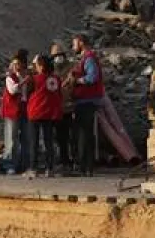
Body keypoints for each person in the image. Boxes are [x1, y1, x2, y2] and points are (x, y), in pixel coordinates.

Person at [69, 35, 104, 176]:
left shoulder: (89, 58)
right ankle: (85, 166)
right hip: (83, 101)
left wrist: (77, 81)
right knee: (83, 134)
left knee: (84, 134)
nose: (73, 47)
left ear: (81, 43)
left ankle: (85, 166)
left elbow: (92, 77)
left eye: (74, 44)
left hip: (87, 101)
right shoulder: (85, 58)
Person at [26, 53, 63, 176]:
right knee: (49, 141)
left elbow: (28, 93)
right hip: (50, 113)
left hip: (35, 112)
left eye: (36, 65)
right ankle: (50, 168)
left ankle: (33, 168)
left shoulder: (35, 79)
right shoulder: (56, 79)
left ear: (41, 66)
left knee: (34, 141)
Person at [0, 49, 30, 175]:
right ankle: (9, 165)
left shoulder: (28, 77)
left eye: (18, 63)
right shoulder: (10, 78)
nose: (16, 66)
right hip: (12, 111)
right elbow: (12, 90)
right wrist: (23, 82)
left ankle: (24, 164)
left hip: (24, 110)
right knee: (11, 139)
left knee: (26, 139)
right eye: (14, 64)